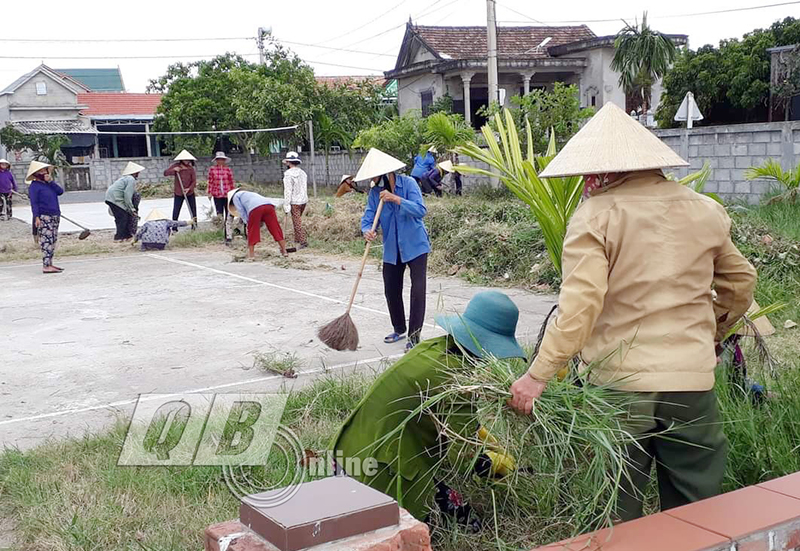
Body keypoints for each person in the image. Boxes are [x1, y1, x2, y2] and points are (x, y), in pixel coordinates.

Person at [508, 102, 758, 521]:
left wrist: (538, 375)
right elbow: (741, 283)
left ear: (604, 171)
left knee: (613, 507)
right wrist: (711, 333)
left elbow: (580, 306)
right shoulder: (705, 209)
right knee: (696, 508)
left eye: (589, 175)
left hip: (619, 389)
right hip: (691, 385)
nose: (587, 184)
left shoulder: (596, 216)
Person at [332, 291, 525, 526]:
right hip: (373, 474)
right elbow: (464, 457)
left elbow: (454, 420)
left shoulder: (436, 347)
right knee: (466, 523)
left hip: (347, 453)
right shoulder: (458, 380)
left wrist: (481, 433)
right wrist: (493, 463)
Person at [358, 148, 431, 352]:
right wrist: (367, 231)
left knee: (418, 290)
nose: (372, 179)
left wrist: (396, 199)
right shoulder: (374, 193)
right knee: (391, 288)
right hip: (392, 248)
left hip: (415, 245)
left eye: (374, 174)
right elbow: (368, 218)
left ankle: (414, 337)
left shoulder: (408, 184)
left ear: (385, 172)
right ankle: (399, 328)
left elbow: (420, 210)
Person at [228, 188, 290, 259]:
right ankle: (284, 251)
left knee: (252, 231)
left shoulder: (236, 197)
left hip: (255, 208)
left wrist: (247, 222)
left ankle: (251, 255)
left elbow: (241, 211)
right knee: (275, 228)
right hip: (269, 206)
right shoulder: (249, 194)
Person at [26, 161, 64, 274]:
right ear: (36, 174)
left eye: (44, 170)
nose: (43, 172)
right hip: (44, 216)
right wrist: (36, 217)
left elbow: (60, 192)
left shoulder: (49, 184)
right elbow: (34, 203)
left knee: (53, 239)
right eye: (41, 171)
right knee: (46, 240)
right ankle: (46, 265)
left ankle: (50, 263)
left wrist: (50, 181)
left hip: (55, 214)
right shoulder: (34, 186)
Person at [105, 162, 145, 241]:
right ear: (134, 173)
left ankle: (126, 236)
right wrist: (131, 208)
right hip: (115, 198)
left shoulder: (125, 178)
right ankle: (119, 237)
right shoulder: (131, 179)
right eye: (138, 173)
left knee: (124, 216)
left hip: (111, 197)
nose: (138, 174)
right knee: (122, 218)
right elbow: (127, 195)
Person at [207, 151, 235, 244]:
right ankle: (222, 232)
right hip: (217, 194)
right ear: (216, 161)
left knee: (229, 214)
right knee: (220, 214)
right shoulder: (212, 170)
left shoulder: (228, 170)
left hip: (227, 194)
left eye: (222, 159)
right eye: (219, 159)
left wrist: (234, 193)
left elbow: (231, 182)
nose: (220, 161)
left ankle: (228, 235)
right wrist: (209, 192)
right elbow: (210, 181)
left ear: (224, 161)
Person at [164, 149, 197, 229]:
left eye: (187, 159)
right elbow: (165, 173)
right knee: (176, 210)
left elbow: (194, 181)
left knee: (193, 209)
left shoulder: (191, 168)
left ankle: (194, 226)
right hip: (179, 192)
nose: (186, 160)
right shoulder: (176, 166)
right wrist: (173, 170)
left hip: (189, 193)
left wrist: (189, 189)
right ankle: (174, 228)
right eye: (184, 159)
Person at [282, 151, 309, 249]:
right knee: (297, 220)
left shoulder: (288, 174)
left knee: (297, 221)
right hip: (304, 200)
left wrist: (286, 204)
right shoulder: (303, 173)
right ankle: (297, 239)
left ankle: (303, 241)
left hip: (295, 201)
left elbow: (288, 190)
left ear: (289, 162)